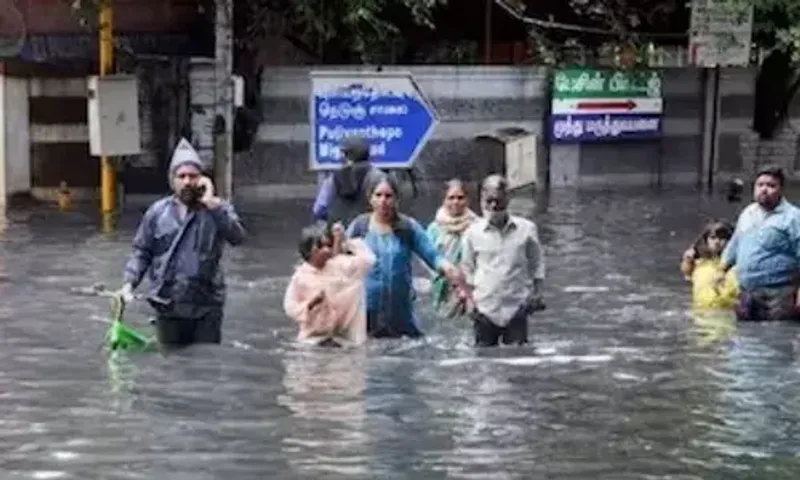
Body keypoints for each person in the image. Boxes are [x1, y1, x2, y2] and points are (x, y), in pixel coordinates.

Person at [118, 138, 246, 347]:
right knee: (172, 366)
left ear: (202, 179)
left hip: (206, 306)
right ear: (173, 180)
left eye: (193, 176)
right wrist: (128, 283)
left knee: (204, 365)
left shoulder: (217, 210)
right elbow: (142, 251)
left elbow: (238, 237)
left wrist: (212, 203)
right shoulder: (157, 213)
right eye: (182, 176)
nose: (187, 181)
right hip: (168, 305)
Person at [346, 175, 464, 338]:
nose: (383, 201)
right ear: (370, 198)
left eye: (388, 196)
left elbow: (432, 256)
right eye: (378, 195)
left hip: (400, 317)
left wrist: (450, 270)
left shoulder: (408, 227)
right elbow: (338, 264)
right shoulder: (359, 227)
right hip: (364, 316)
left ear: (396, 199)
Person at [460, 174, 545, 347]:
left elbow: (537, 264)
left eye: (498, 201)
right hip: (484, 308)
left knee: (516, 360)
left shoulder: (527, 230)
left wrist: (537, 293)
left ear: (508, 198)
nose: (493, 206)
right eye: (489, 201)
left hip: (516, 308)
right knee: (484, 360)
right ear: (482, 199)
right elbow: (466, 269)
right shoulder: (472, 233)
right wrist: (469, 300)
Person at [717, 165, 800, 321]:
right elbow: (735, 244)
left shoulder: (793, 218)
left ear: (781, 190)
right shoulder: (748, 213)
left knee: (776, 338)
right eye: (760, 185)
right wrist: (721, 270)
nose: (764, 189)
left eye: (771, 186)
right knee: (743, 338)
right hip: (747, 291)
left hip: (779, 294)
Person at [283, 222, 375, 347]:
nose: (327, 249)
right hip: (313, 340)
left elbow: (368, 260)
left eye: (328, 245)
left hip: (345, 340)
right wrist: (310, 304)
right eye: (321, 246)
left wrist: (346, 241)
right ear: (310, 251)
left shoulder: (339, 265)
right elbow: (290, 307)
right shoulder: (300, 278)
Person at [426, 179, 478, 317]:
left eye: (460, 198)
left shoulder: (478, 227)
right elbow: (427, 259)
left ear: (467, 200)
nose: (455, 202)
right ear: (444, 200)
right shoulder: (434, 229)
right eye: (451, 198)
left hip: (472, 287)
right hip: (444, 288)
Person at [311, 136, 387, 225]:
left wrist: (334, 219)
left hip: (340, 233)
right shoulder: (380, 177)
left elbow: (318, 210)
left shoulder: (334, 178)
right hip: (371, 232)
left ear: (347, 156)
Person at [680, 220, 738, 310]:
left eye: (722, 238)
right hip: (702, 308)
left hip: (727, 309)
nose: (717, 242)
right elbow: (687, 273)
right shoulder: (699, 260)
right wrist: (687, 261)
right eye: (713, 238)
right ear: (706, 240)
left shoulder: (735, 261)